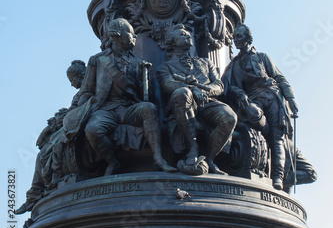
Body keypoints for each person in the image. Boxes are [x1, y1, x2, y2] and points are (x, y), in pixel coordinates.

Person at [79, 18, 175, 174]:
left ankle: (158, 159)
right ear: (117, 34)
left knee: (149, 108)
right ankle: (112, 162)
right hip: (106, 109)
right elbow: (86, 90)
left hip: (128, 109)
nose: (135, 37)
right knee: (92, 129)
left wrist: (144, 77)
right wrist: (81, 111)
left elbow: (146, 96)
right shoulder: (98, 60)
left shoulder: (139, 63)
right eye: (131, 33)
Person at [222, 24, 298, 190]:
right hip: (253, 100)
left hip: (273, 98)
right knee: (253, 116)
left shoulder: (263, 57)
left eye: (240, 36)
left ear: (248, 38)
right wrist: (238, 93)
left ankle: (278, 177)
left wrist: (290, 98)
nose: (236, 40)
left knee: (277, 138)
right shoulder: (234, 65)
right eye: (234, 37)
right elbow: (229, 86)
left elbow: (279, 78)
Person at [157, 24, 237, 174]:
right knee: (182, 93)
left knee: (230, 117)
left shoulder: (205, 62)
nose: (188, 36)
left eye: (188, 34)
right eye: (182, 35)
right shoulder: (165, 67)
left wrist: (204, 90)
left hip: (208, 102)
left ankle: (209, 159)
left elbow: (219, 86)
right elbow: (168, 85)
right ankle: (193, 148)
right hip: (183, 103)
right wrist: (193, 89)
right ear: (172, 42)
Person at [15, 60, 87, 215]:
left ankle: (52, 181)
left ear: (80, 76)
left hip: (79, 125)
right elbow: (70, 113)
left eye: (71, 80)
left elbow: (77, 112)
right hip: (71, 124)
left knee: (52, 148)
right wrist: (49, 128)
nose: (71, 84)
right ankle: (35, 194)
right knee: (43, 153)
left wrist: (53, 126)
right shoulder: (80, 93)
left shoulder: (90, 90)